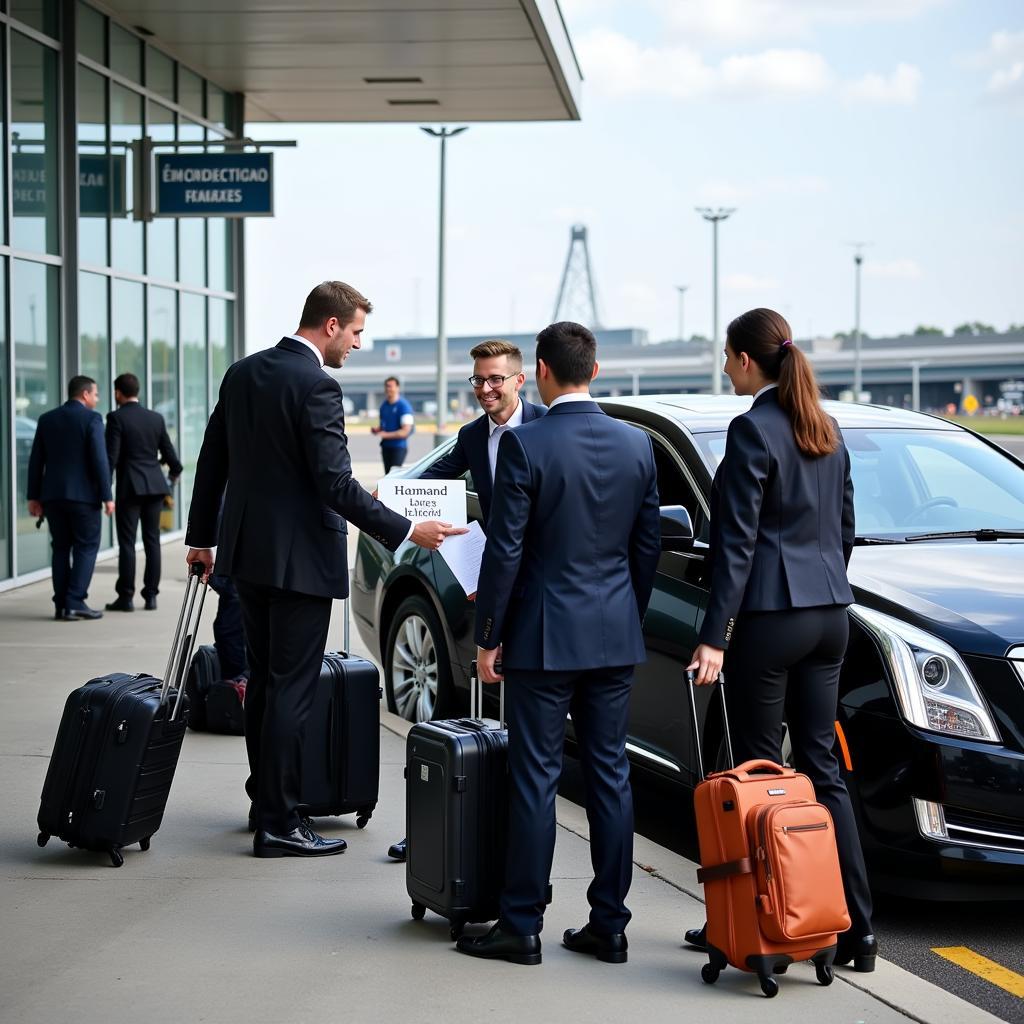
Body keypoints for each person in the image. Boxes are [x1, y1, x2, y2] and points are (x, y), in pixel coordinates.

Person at [185, 280, 464, 859]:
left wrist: (202, 541)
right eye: (357, 331)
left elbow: (212, 460)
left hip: (246, 557)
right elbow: (334, 483)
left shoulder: (243, 372)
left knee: (263, 684)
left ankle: (266, 801)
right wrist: (408, 529)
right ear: (331, 324)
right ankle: (281, 823)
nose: (359, 344)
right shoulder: (317, 385)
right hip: (298, 564)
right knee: (292, 690)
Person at [456, 321, 661, 966]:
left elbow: (507, 550)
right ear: (593, 371)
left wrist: (490, 636)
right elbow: (647, 548)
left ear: (540, 370)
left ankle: (520, 925)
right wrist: (628, 612)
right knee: (610, 778)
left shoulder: (526, 445)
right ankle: (611, 923)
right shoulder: (637, 446)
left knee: (535, 779)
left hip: (544, 638)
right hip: (614, 636)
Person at [685, 307, 877, 973]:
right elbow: (845, 530)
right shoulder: (824, 426)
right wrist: (823, 587)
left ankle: (767, 925)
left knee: (762, 777)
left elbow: (735, 547)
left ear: (744, 360)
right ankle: (856, 928)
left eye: (726, 357)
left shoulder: (752, 430)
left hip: (770, 620)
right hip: (831, 613)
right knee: (824, 770)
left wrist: (715, 637)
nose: (724, 367)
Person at [385, 338, 546, 862]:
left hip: (543, 592)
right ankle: (454, 831)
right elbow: (425, 481)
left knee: (529, 734)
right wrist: (383, 505)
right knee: (481, 716)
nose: (485, 389)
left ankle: (494, 838)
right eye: (478, 379)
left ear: (520, 380)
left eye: (496, 379)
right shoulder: (474, 437)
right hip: (493, 584)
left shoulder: (548, 426)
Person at [27, 376, 115, 621]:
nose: (96, 399)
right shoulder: (92, 419)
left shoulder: (47, 419)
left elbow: (36, 460)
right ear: (85, 394)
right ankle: (75, 601)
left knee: (61, 548)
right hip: (83, 498)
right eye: (95, 394)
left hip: (53, 496)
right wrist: (107, 496)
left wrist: (33, 496)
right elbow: (100, 460)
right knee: (86, 547)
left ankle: (62, 604)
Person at [104, 372, 183, 612]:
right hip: (155, 487)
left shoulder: (116, 418)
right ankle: (151, 596)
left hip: (130, 488)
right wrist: (168, 482)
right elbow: (174, 461)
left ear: (118, 393)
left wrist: (104, 489)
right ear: (137, 392)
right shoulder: (155, 418)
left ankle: (126, 597)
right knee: (152, 542)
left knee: (127, 543)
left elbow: (111, 458)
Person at [372, 376, 414, 472]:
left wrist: (385, 435)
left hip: (398, 447)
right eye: (386, 386)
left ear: (397, 388)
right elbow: (384, 426)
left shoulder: (404, 406)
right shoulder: (384, 405)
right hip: (385, 447)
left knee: (393, 477)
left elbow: (405, 431)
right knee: (387, 475)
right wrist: (377, 430)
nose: (388, 389)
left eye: (391, 386)